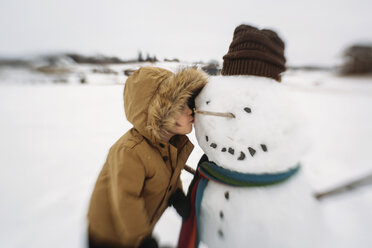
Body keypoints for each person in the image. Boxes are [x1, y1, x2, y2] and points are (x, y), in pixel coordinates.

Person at [87, 66, 208, 248]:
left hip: (135, 233)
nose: (191, 110)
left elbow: (169, 173)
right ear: (160, 113)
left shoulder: (170, 144)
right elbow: (126, 199)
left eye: (188, 103)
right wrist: (143, 241)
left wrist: (176, 195)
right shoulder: (131, 151)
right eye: (181, 106)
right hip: (110, 237)